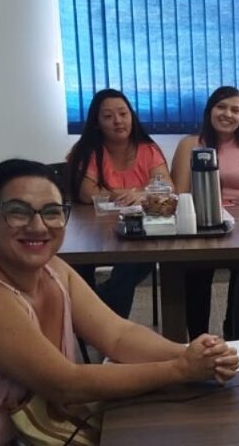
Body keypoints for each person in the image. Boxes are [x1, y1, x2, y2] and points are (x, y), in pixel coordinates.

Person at [0, 159, 239, 445]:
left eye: (52, 212)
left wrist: (196, 355)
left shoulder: (53, 269)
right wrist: (180, 369)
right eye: (18, 212)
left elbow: (119, 336)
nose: (38, 226)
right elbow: (66, 384)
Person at [171, 86, 239, 339]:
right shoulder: (190, 144)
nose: (228, 114)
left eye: (235, 110)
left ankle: (234, 336)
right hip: (199, 226)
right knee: (195, 278)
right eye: (221, 107)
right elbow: (180, 195)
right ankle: (198, 339)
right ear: (210, 111)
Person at [66, 89, 172, 318]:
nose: (118, 121)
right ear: (97, 123)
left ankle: (98, 314)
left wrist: (141, 195)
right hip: (94, 230)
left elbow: (167, 187)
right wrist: (127, 193)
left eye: (123, 114)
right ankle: (99, 317)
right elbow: (86, 193)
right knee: (80, 267)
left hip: (138, 229)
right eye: (108, 116)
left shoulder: (148, 150)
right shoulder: (87, 150)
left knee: (135, 260)